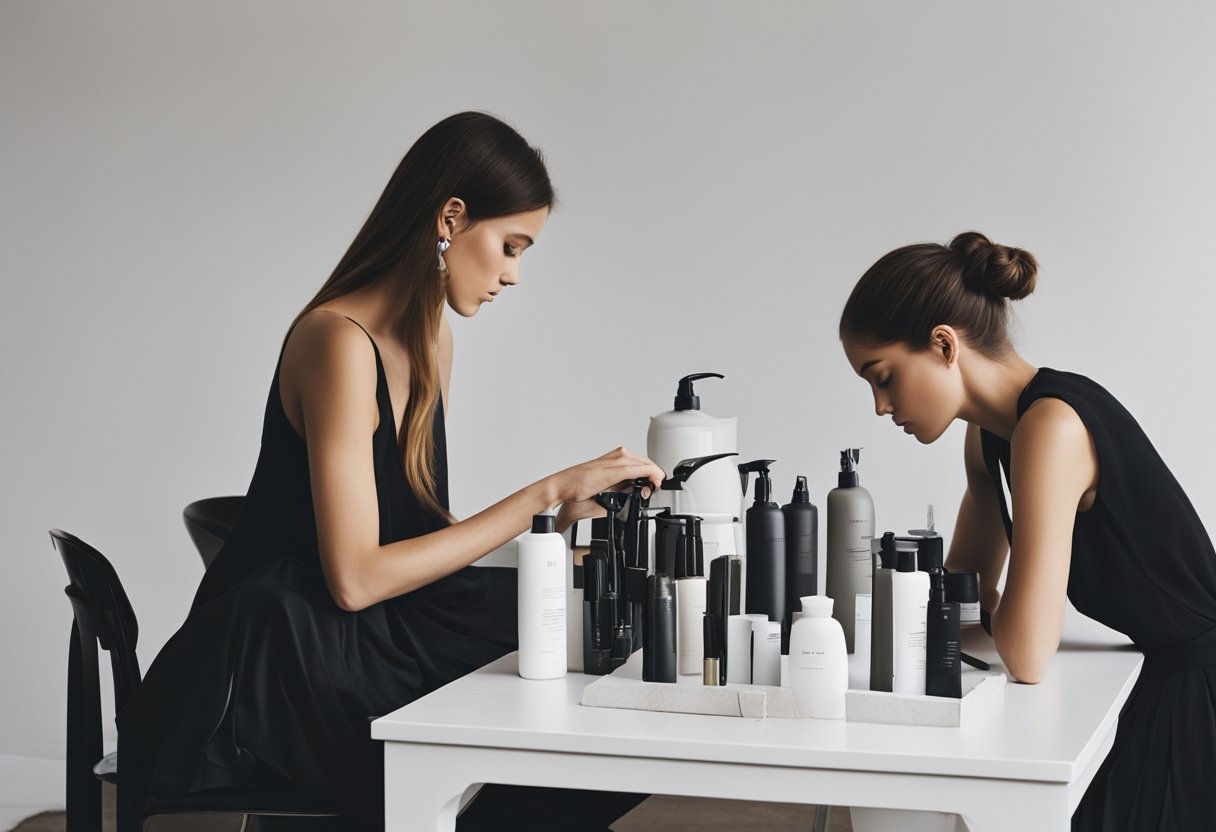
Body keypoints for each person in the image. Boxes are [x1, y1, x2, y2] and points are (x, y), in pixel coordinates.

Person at [116, 112, 664, 831]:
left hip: (358, 626)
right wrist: (548, 487)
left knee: (602, 654)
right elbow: (356, 578)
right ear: (451, 217)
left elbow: (421, 536)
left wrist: (553, 539)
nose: (513, 274)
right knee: (559, 682)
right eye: (509, 246)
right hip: (281, 648)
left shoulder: (429, 338)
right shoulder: (336, 342)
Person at [838, 231, 1216, 830]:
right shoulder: (989, 435)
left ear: (943, 345)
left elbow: (1026, 652)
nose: (881, 407)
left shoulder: (1053, 427)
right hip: (1155, 679)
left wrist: (972, 611)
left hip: (1197, 704)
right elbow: (962, 602)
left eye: (882, 377)